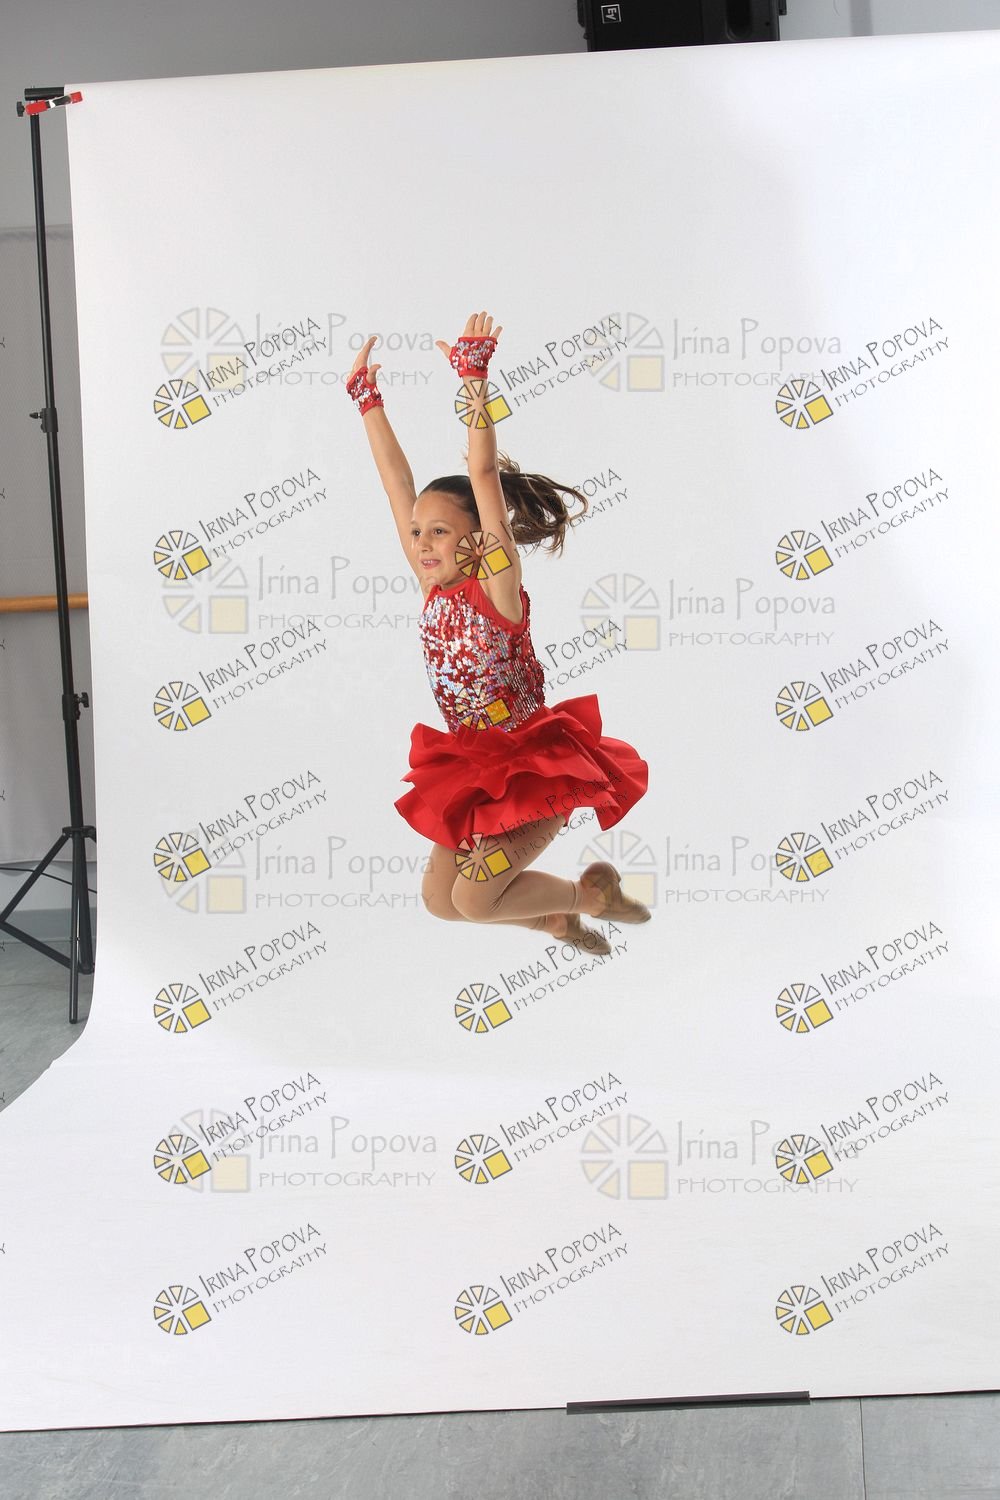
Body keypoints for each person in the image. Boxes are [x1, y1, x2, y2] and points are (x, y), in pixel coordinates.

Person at [347, 309, 651, 955]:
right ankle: (553, 921)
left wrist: (474, 379)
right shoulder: (433, 587)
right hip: (470, 764)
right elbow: (395, 483)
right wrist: (366, 400)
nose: (422, 543)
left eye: (440, 531)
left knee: (475, 899)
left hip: (532, 769)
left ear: (479, 539)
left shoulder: (497, 589)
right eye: (417, 533)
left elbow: (483, 476)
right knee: (442, 903)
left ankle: (590, 898)